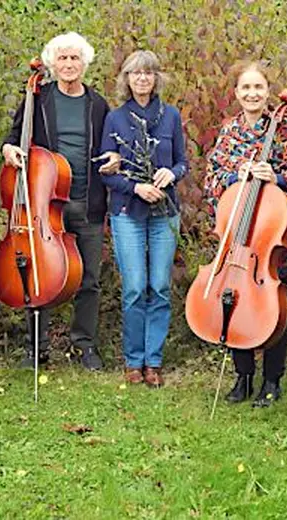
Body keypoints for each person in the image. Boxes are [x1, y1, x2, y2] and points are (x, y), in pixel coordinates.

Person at [203, 60, 287, 407]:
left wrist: (276, 178)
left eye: (258, 87)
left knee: (272, 306)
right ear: (237, 93)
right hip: (239, 236)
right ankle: (243, 376)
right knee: (234, 301)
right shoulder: (229, 132)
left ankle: (272, 380)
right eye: (246, 88)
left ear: (268, 92)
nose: (252, 94)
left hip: (272, 235)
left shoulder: (285, 131)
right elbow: (211, 179)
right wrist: (235, 177)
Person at [1, 32, 112, 371]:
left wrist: (115, 159)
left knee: (89, 279)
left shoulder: (97, 104)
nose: (68, 64)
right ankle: (37, 347)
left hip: (87, 201)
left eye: (74, 58)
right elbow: (13, 137)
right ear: (52, 64)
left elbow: (109, 147)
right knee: (41, 274)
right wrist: (9, 149)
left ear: (84, 63)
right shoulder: (38, 98)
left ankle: (85, 346)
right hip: (43, 205)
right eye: (62, 58)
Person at [99, 50, 188, 388]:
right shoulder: (116, 119)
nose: (142, 78)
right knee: (135, 287)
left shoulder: (171, 116)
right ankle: (133, 360)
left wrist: (172, 173)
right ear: (127, 79)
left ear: (156, 78)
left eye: (148, 73)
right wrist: (135, 187)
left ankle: (154, 361)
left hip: (164, 212)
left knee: (160, 287)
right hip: (128, 212)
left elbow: (182, 163)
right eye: (135, 73)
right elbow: (106, 171)